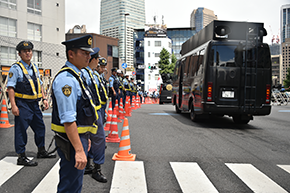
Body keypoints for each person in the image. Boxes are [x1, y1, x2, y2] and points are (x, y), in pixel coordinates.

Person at [51, 35, 98, 193]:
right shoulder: (67, 80)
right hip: (71, 142)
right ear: (71, 54)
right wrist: (79, 150)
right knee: (70, 185)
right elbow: (68, 119)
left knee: (75, 183)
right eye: (84, 53)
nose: (88, 57)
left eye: (89, 53)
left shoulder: (77, 76)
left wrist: (86, 137)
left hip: (78, 138)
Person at [7, 40, 55, 167]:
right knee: (21, 130)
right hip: (22, 104)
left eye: (29, 51)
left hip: (34, 104)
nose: (28, 53)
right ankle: (21, 156)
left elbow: (39, 85)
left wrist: (44, 99)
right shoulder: (15, 68)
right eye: (24, 51)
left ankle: (41, 150)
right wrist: (13, 105)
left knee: (40, 127)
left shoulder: (34, 67)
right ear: (20, 54)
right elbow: (10, 88)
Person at [82, 48, 107, 183]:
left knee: (94, 139)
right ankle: (96, 169)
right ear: (94, 59)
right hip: (91, 113)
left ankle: (90, 166)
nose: (99, 64)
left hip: (95, 111)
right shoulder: (85, 74)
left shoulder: (90, 73)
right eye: (98, 60)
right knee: (98, 139)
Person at [95, 57, 109, 124]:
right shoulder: (94, 76)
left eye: (104, 67)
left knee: (102, 120)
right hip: (99, 104)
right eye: (101, 67)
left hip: (103, 104)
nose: (103, 69)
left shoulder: (101, 76)